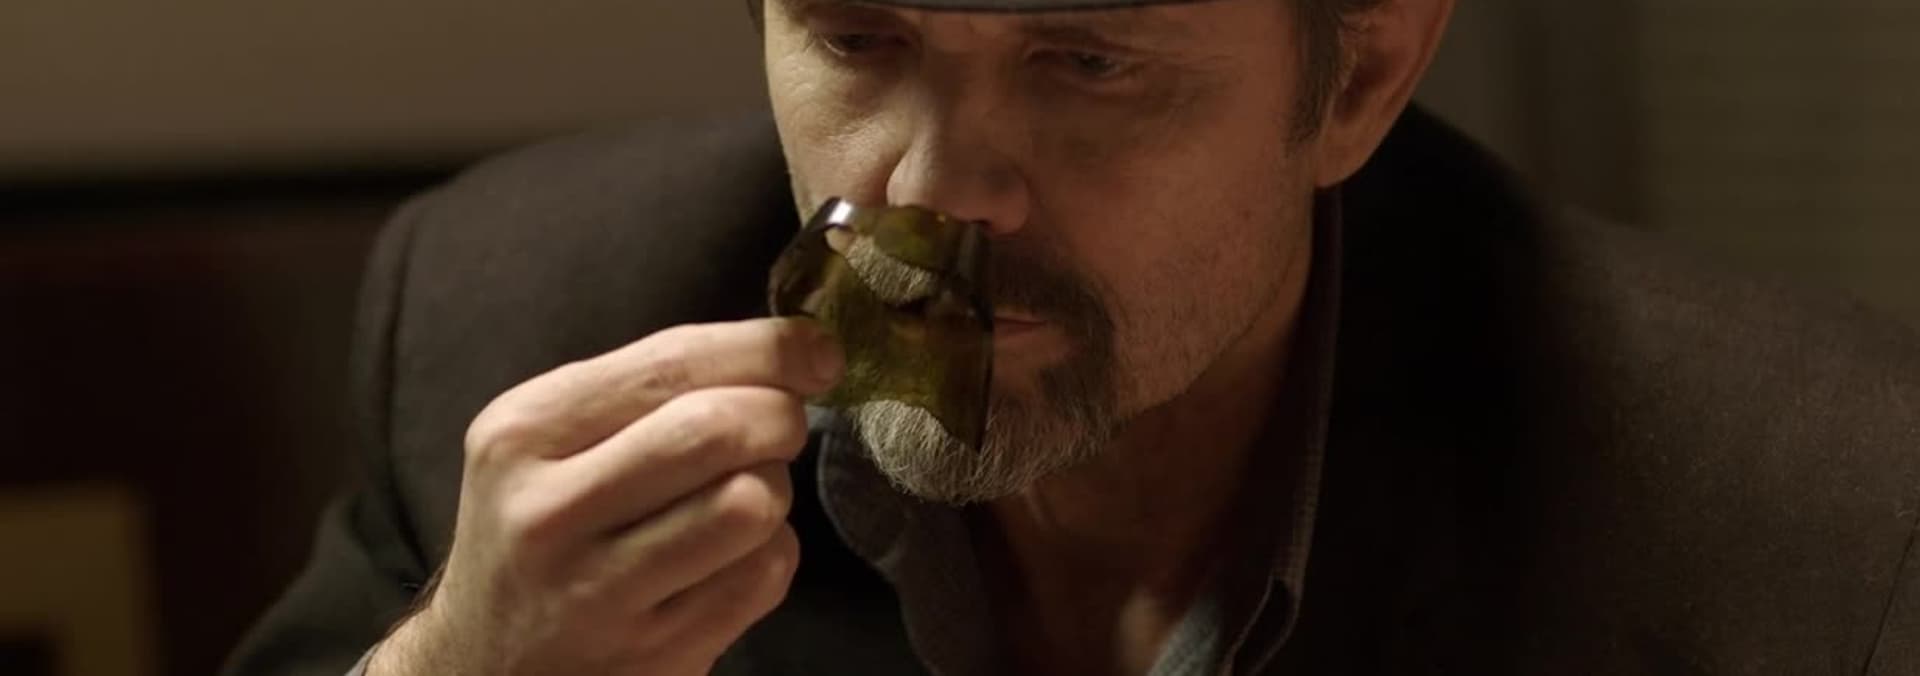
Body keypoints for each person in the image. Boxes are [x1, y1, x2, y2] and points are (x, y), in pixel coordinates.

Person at [224, 0, 1920, 674]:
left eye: (1088, 62)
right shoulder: (509, 309)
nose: (932, 192)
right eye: (859, 36)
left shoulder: (1823, 525)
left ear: (1358, 75)